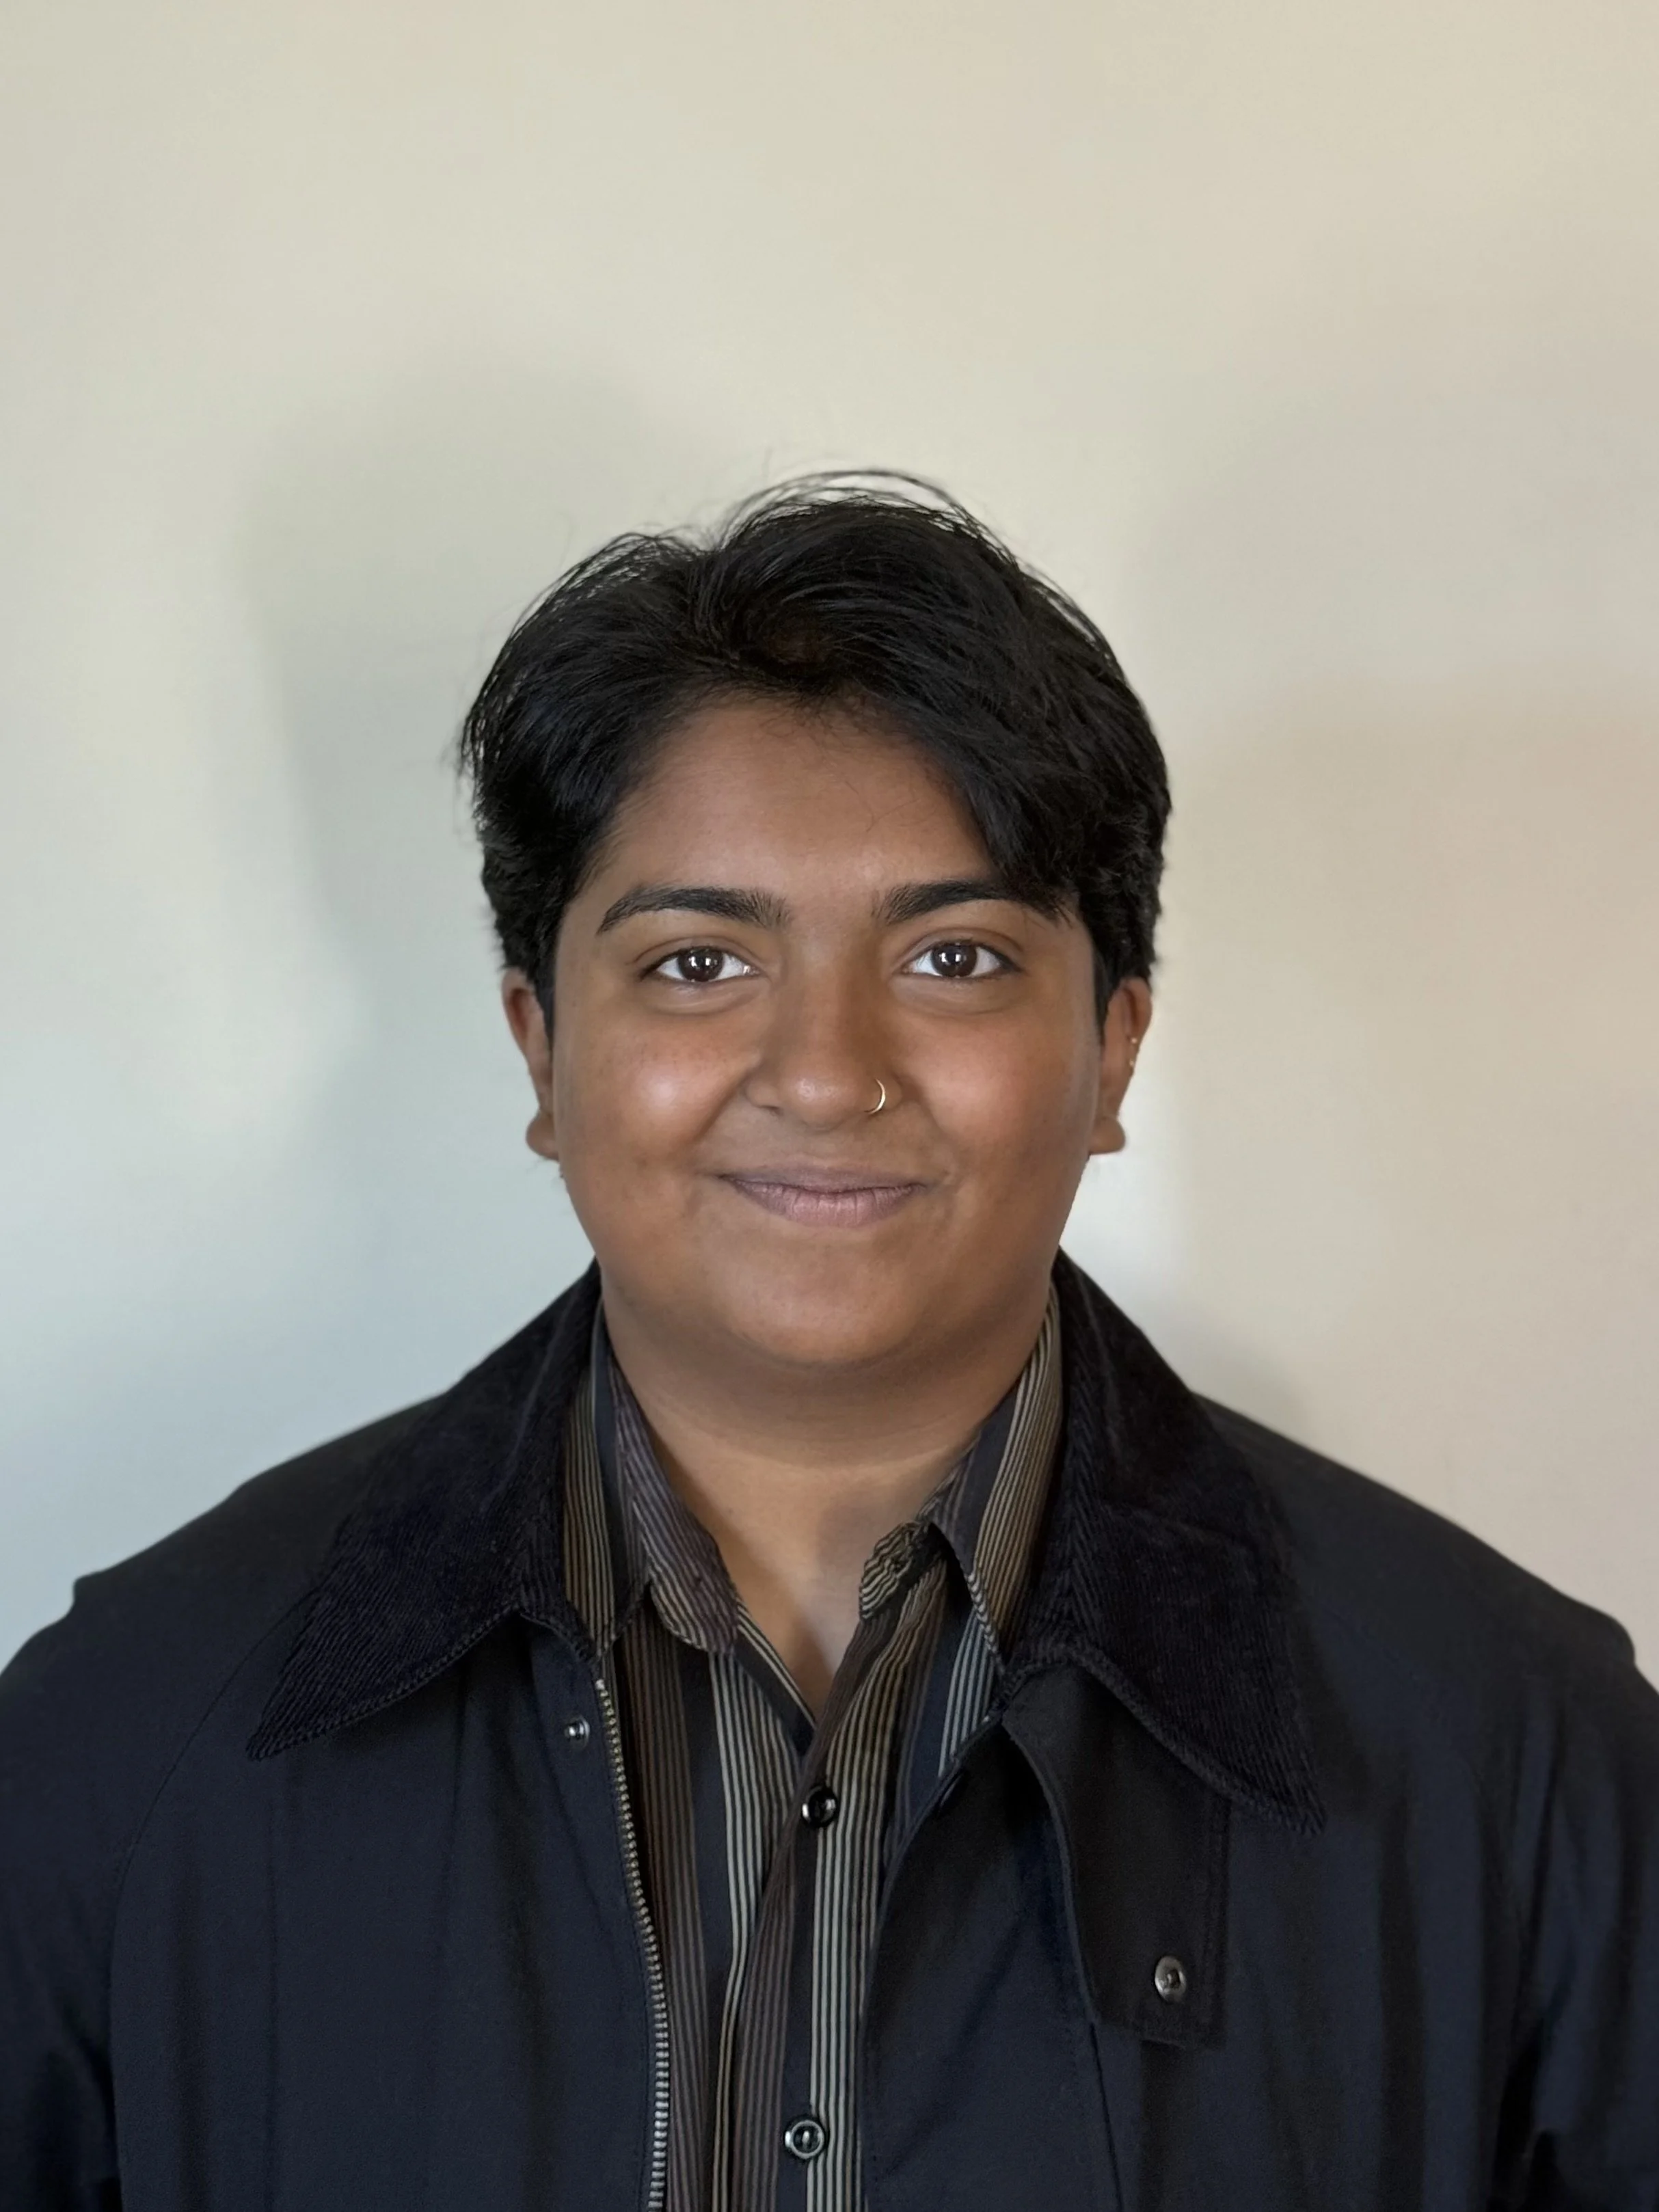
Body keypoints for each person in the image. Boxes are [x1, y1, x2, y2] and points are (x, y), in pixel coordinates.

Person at [1, 476, 1655, 2212]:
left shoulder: (1517, 1758)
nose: (823, 1070)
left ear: (1112, 1048)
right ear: (537, 1045)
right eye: (699, 960)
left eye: (952, 955)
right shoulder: (134, 1739)